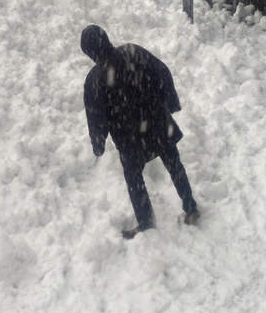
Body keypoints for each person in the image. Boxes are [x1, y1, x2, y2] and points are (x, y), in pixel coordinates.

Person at [81, 24, 199, 238]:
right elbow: (162, 71)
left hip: (130, 138)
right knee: (174, 164)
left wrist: (98, 144)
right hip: (157, 122)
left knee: (134, 179)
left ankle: (145, 223)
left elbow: (96, 118)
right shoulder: (132, 51)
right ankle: (190, 206)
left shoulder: (94, 81)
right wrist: (170, 102)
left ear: (90, 53)